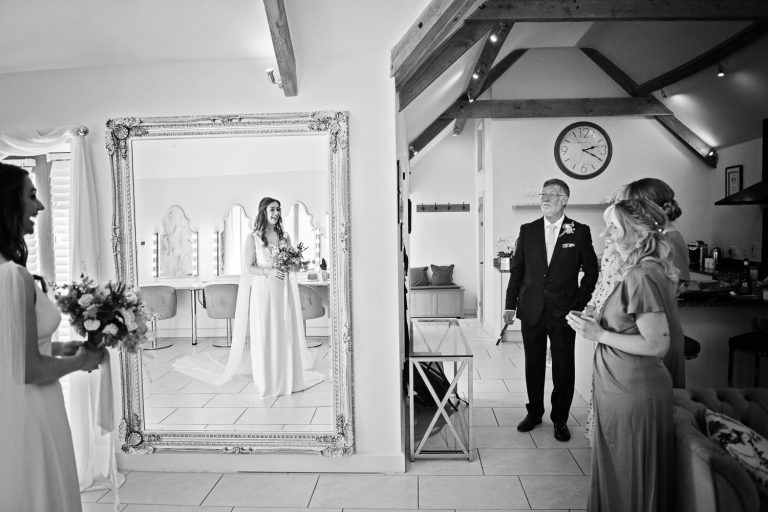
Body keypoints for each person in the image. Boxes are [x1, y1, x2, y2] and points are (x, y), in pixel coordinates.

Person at [0, 163, 104, 511]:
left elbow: (9, 347)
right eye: (31, 196)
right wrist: (82, 360)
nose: (40, 206)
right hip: (32, 408)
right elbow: (29, 369)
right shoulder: (13, 276)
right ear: (7, 203)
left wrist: (62, 347)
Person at [566, 199, 675, 512]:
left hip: (634, 391)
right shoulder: (634, 272)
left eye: (613, 227)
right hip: (620, 387)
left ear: (638, 233)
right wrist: (593, 320)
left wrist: (598, 334)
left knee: (630, 478)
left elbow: (657, 345)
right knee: (617, 473)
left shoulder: (641, 275)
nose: (605, 234)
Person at [174, 197, 324, 398]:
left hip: (284, 290)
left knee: (285, 331)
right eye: (272, 209)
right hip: (264, 291)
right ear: (263, 212)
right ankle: (269, 381)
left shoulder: (285, 236)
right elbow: (249, 267)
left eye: (278, 209)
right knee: (267, 332)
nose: (276, 213)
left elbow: (291, 267)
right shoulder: (253, 238)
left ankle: (288, 378)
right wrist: (269, 272)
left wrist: (295, 262)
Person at [504, 178, 598, 442]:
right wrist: (510, 304)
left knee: (563, 368)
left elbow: (592, 272)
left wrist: (577, 306)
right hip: (531, 309)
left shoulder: (579, 231)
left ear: (564, 200)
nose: (545, 198)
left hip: (564, 313)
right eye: (543, 194)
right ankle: (534, 413)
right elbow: (517, 271)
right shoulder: (528, 230)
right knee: (533, 365)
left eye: (551, 194)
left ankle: (560, 419)